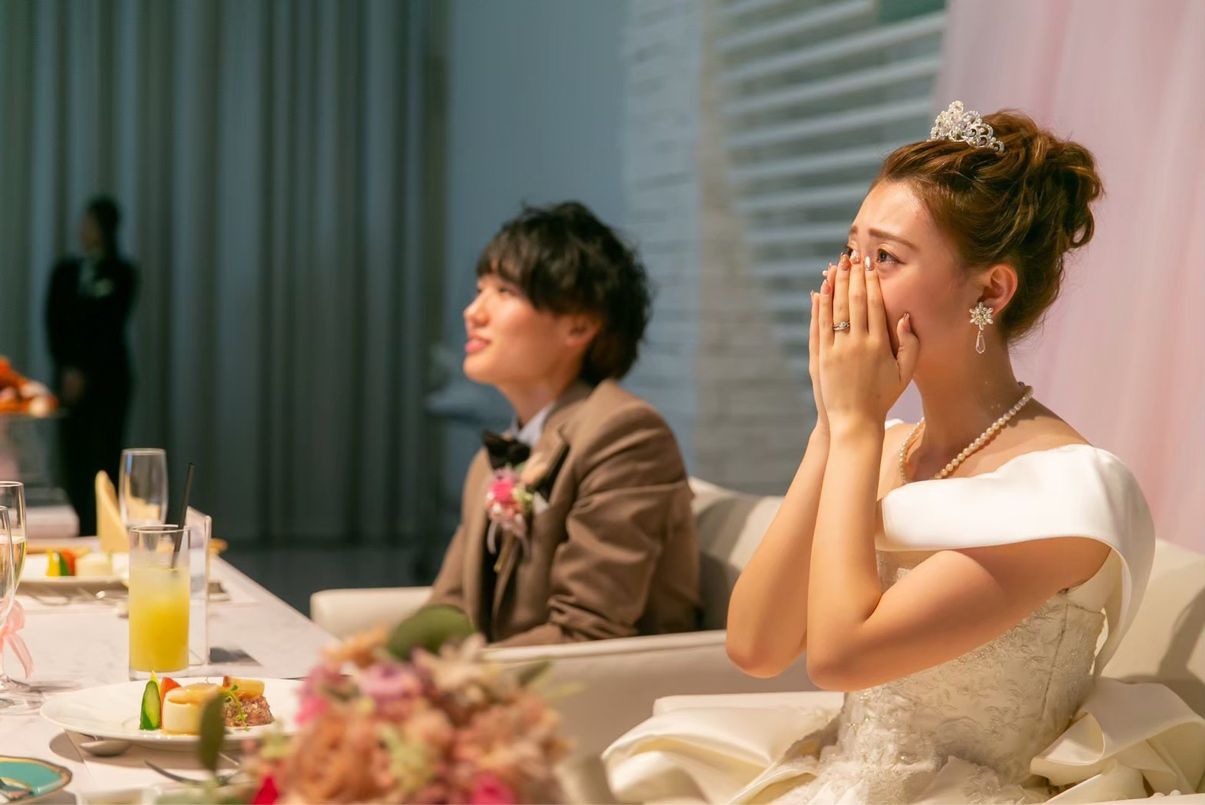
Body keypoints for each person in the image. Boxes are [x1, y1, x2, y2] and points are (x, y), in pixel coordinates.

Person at [603, 103, 1205, 803]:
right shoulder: (879, 442)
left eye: (884, 258)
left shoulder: (1067, 491)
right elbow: (756, 646)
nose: (845, 283)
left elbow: (839, 657)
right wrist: (832, 428)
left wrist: (854, 424)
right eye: (849, 250)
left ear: (991, 289)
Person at [424, 201, 700, 646]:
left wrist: (457, 677)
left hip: (607, 688)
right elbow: (450, 607)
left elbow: (586, 631)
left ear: (579, 326)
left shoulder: (625, 434)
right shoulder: (495, 458)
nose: (473, 311)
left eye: (505, 292)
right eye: (480, 290)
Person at [45, 196, 137, 536]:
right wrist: (67, 369)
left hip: (107, 381)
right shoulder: (65, 272)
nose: (84, 230)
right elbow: (53, 322)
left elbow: (110, 325)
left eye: (91, 223)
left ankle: (107, 532)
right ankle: (79, 531)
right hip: (68, 381)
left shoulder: (122, 272)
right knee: (74, 459)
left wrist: (86, 371)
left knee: (106, 457)